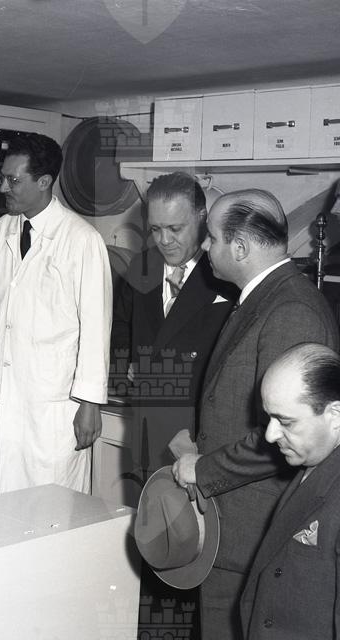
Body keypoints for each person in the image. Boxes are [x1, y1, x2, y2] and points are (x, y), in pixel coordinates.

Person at [172, 189, 339, 640]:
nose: (205, 247)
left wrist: (203, 469)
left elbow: (288, 433)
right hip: (232, 526)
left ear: (241, 247)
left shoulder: (290, 310)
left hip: (249, 532)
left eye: (212, 238)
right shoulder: (264, 297)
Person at [0, 133, 112, 499]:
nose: (2, 187)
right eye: (2, 177)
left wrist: (90, 403)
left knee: (49, 506)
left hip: (52, 398)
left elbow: (96, 328)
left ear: (44, 182)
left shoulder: (81, 239)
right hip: (0, 390)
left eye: (13, 180)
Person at [112, 171, 237, 475]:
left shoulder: (225, 272)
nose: (164, 240)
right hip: (147, 424)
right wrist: (127, 362)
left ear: (202, 217)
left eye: (175, 228)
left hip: (198, 430)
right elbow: (120, 324)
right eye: (155, 229)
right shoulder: (142, 265)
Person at [240, 343, 340, 640]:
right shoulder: (313, 465)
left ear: (335, 414)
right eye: (268, 419)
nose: (270, 435)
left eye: (286, 422)